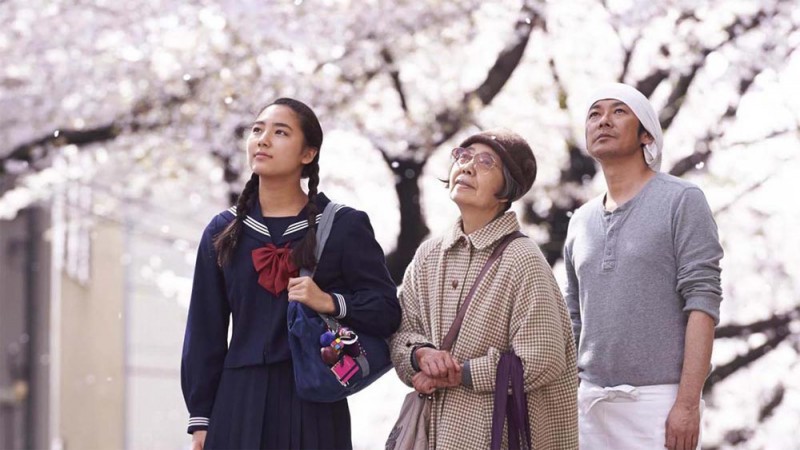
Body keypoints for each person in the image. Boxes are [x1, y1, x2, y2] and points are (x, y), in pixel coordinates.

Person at [181, 98, 401, 450]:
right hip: (237, 402)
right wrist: (202, 420)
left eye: (280, 132)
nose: (263, 139)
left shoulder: (344, 226)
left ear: (308, 154)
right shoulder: (223, 231)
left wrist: (329, 302)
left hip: (313, 399)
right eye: (257, 130)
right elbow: (204, 331)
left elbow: (387, 311)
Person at [390, 129, 578, 449]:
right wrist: (420, 354)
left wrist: (461, 372)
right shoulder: (428, 254)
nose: (467, 166)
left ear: (507, 190)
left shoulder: (523, 258)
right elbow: (400, 332)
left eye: (485, 161)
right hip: (433, 433)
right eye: (462, 157)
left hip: (494, 435)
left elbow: (543, 359)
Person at [564, 83, 724, 450]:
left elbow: (703, 302)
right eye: (594, 113)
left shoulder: (682, 200)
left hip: (660, 406)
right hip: (588, 408)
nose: (603, 120)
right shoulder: (581, 221)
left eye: (619, 111)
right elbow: (574, 318)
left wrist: (687, 404)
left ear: (646, 135)